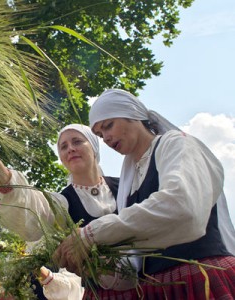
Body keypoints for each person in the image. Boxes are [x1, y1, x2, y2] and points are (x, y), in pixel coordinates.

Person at [54, 89, 235, 299]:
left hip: (199, 279)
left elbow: (181, 205)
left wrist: (91, 234)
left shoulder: (176, 144)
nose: (107, 138)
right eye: (101, 135)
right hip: (158, 290)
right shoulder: (129, 182)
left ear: (132, 114)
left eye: (109, 125)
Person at [0, 124, 138, 299]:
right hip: (101, 295)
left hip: (148, 284)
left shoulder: (126, 185)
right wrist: (1, 176)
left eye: (77, 141)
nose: (71, 149)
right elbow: (35, 212)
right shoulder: (62, 202)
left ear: (93, 146)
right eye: (64, 146)